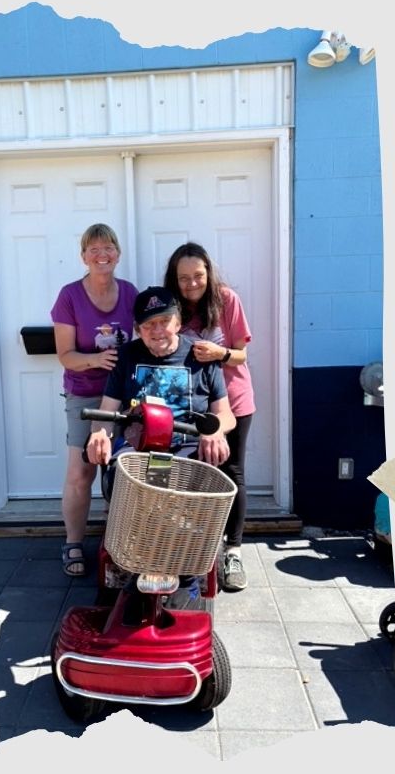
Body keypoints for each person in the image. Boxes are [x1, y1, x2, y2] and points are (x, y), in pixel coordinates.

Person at [164, 243, 255, 591]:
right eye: (184, 278)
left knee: (232, 472)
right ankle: (195, 547)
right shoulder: (172, 308)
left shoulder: (227, 299)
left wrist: (220, 352)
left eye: (198, 276)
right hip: (191, 406)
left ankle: (232, 551)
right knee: (193, 474)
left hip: (234, 400)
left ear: (208, 273)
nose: (191, 284)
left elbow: (242, 354)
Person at [51, 224, 138, 577]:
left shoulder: (131, 293)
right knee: (81, 471)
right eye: (94, 248)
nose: (102, 254)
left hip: (125, 393)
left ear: (118, 252)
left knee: (127, 469)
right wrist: (95, 361)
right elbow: (65, 355)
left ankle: (121, 541)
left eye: (109, 246)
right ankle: (73, 542)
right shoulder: (70, 296)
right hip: (85, 393)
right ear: (83, 256)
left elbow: (151, 332)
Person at [84, 286, 235, 470]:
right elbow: (106, 411)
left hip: (189, 447)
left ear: (178, 324)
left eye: (165, 321)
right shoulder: (125, 356)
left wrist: (215, 431)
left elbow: (226, 415)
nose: (157, 330)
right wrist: (99, 433)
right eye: (148, 324)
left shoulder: (203, 355)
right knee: (119, 475)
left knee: (203, 475)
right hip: (137, 448)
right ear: (138, 329)